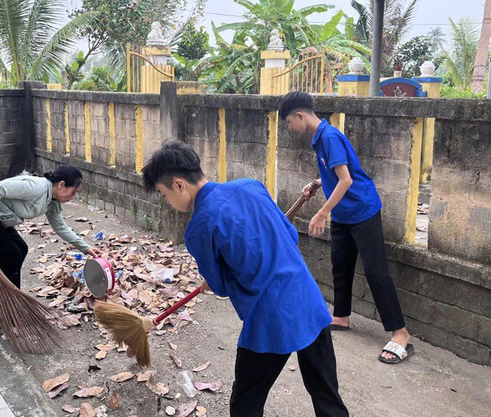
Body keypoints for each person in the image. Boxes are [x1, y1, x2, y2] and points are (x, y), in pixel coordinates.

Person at [141, 140, 349, 417]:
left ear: (179, 184)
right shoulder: (251, 185)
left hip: (269, 319)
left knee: (246, 401)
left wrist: (213, 280)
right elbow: (288, 235)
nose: (167, 201)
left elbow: (221, 285)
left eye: (163, 194)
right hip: (308, 301)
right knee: (326, 394)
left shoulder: (199, 228)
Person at [279, 91, 414, 365]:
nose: (289, 128)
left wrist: (321, 212)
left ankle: (401, 333)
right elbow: (336, 172)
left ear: (300, 115)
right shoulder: (321, 138)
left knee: (376, 272)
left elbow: (346, 180)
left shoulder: (328, 137)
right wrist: (318, 183)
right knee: (339, 265)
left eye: (288, 122)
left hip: (362, 211)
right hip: (342, 214)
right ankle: (341, 316)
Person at [0, 167, 91, 316]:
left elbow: (60, 227)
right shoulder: (37, 188)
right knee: (12, 254)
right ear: (61, 184)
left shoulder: (52, 201)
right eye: (73, 191)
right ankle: (8, 304)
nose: (73, 197)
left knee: (20, 249)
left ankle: (3, 302)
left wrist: (86, 248)